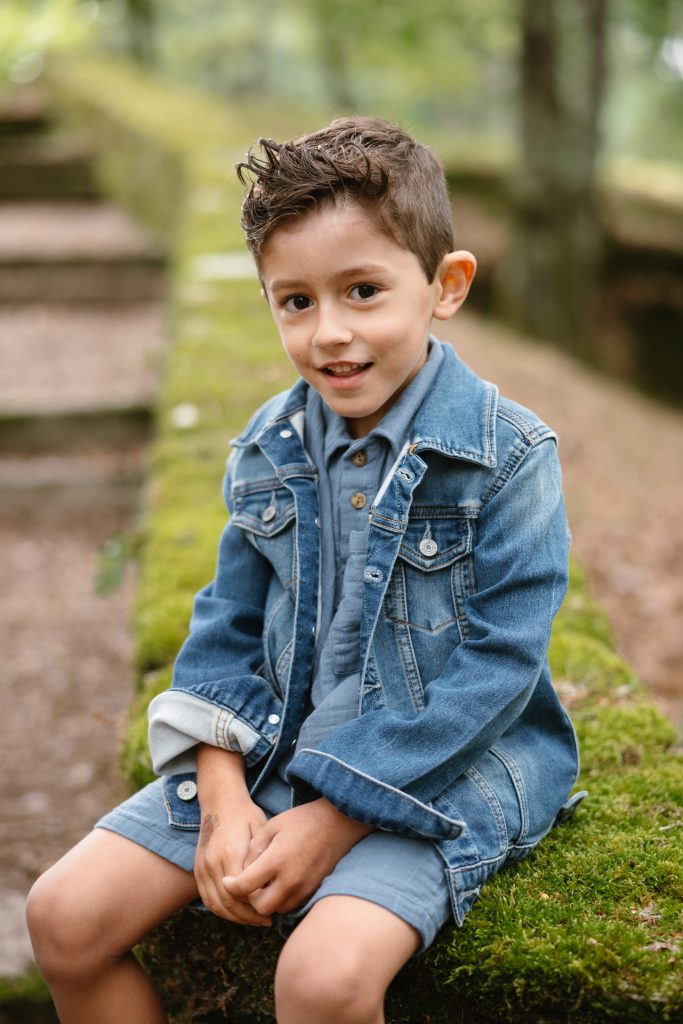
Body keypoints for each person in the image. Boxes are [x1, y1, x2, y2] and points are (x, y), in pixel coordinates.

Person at [26, 116, 582, 1024]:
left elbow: (498, 669)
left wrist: (335, 818)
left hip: (440, 772)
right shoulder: (268, 446)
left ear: (445, 286)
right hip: (274, 753)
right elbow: (224, 629)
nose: (330, 333)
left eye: (363, 291)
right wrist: (220, 798)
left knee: (321, 981)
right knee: (62, 918)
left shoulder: (506, 454)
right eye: (295, 301)